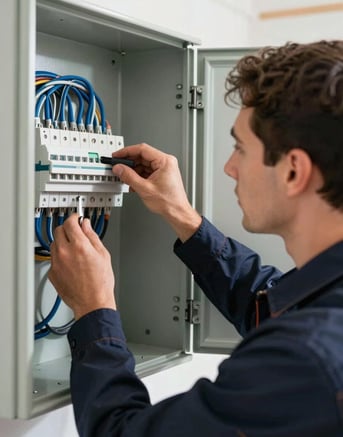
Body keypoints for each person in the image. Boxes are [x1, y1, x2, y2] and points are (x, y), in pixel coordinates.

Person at [48, 40, 343, 436]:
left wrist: (93, 306)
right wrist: (181, 214)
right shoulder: (326, 310)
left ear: (293, 171)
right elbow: (269, 305)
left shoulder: (302, 361)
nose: (228, 167)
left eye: (240, 148)